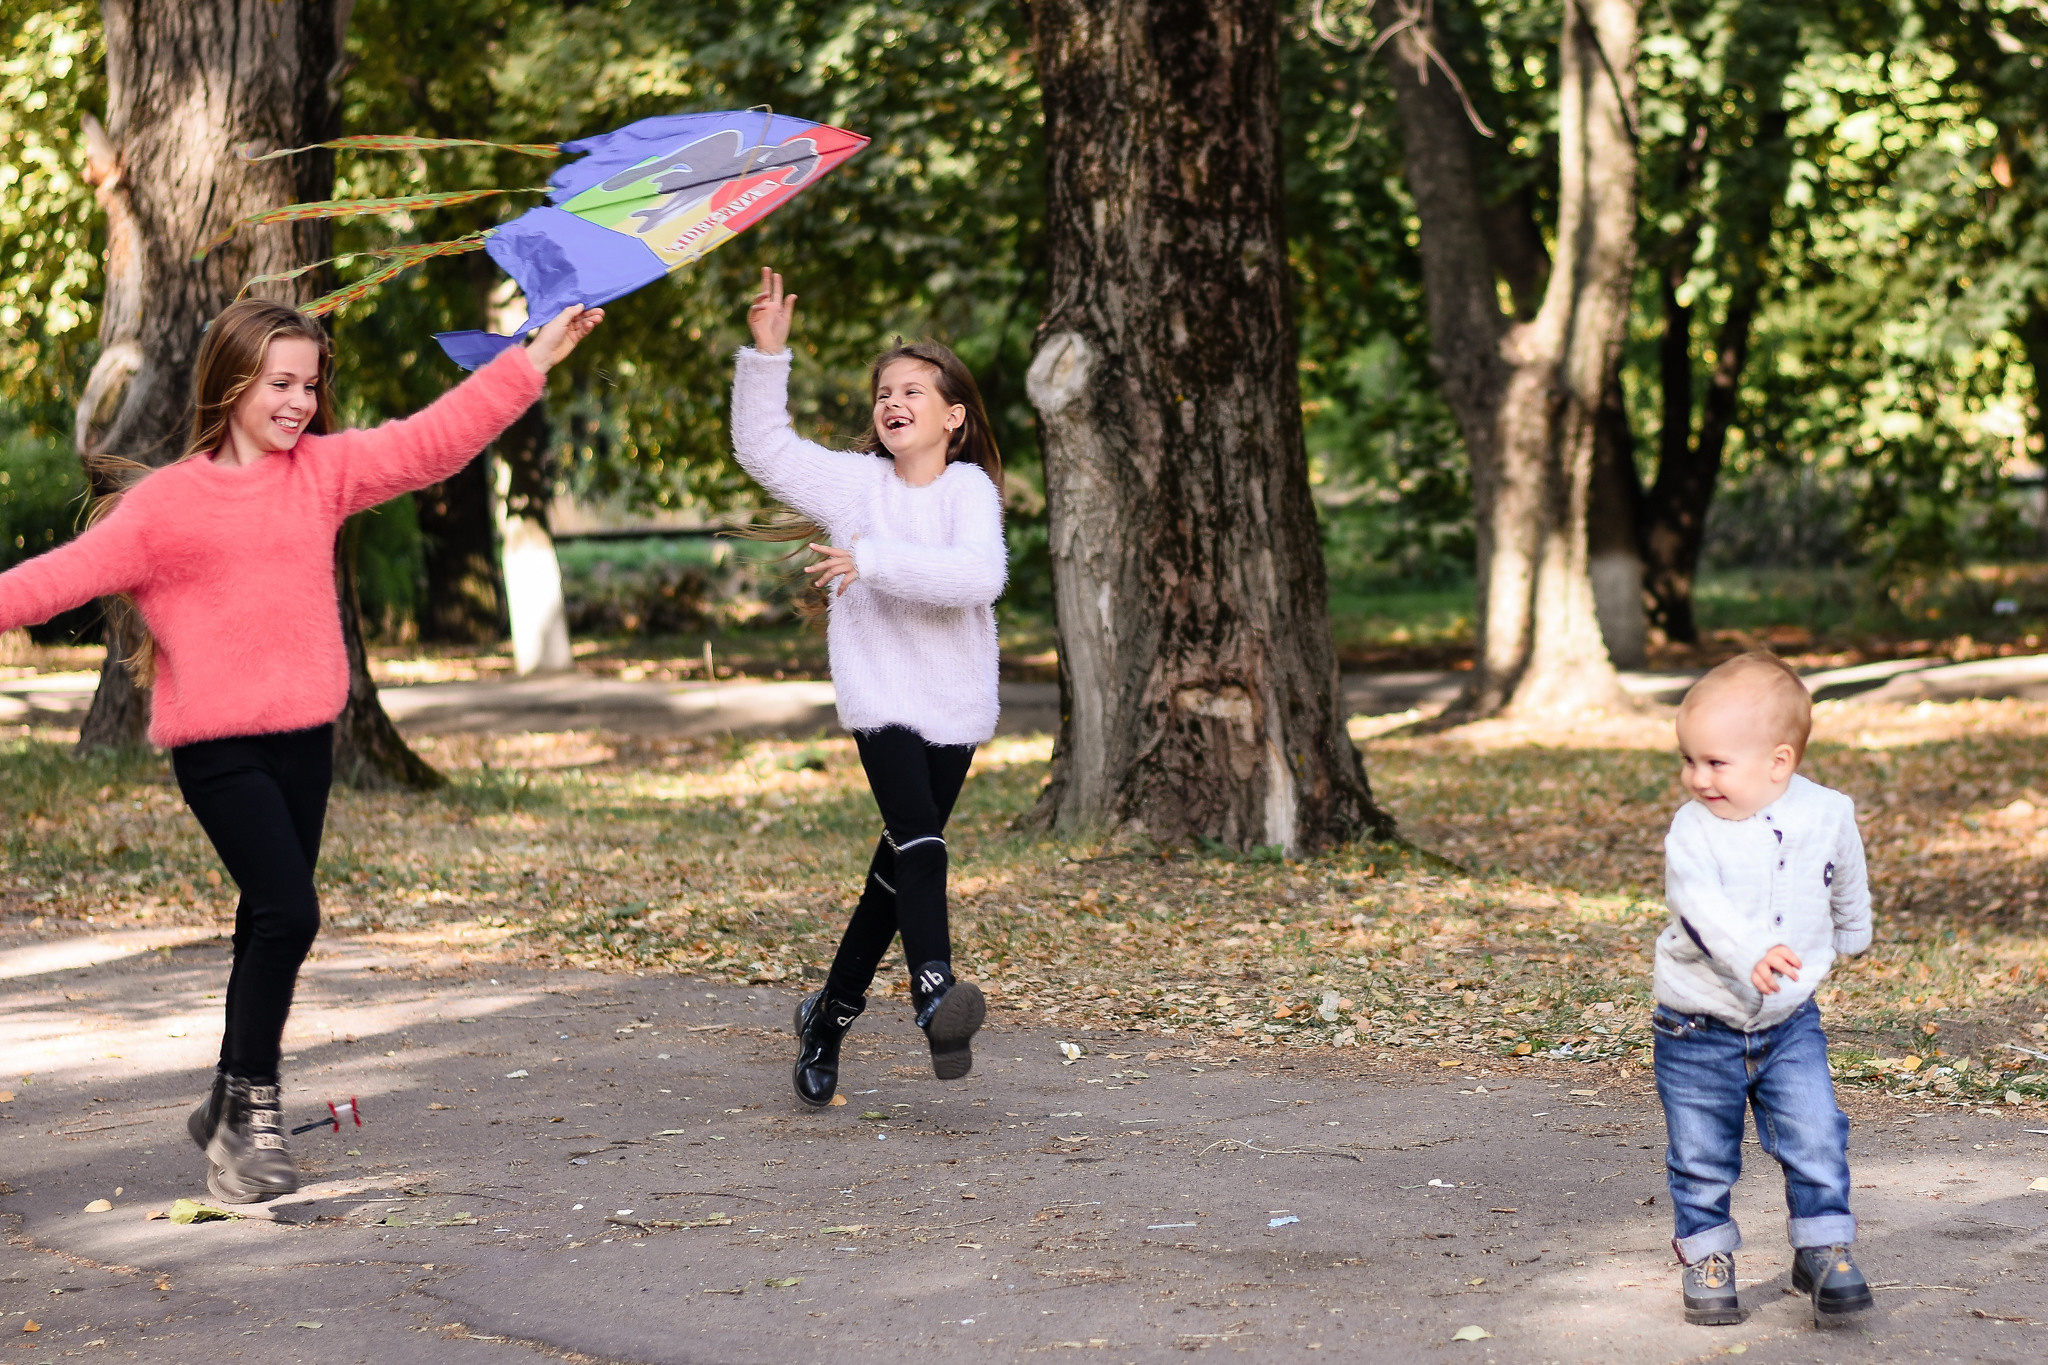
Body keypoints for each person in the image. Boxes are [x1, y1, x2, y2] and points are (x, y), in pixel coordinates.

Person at [0, 296, 602, 1202]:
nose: (297, 400)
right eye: (279, 382)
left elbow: (437, 438)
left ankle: (225, 1098)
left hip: (304, 740)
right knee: (290, 911)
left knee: (262, 919)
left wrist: (533, 357)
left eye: (309, 385)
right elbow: (54, 580)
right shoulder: (166, 506)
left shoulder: (321, 472)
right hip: (219, 748)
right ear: (231, 381)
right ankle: (249, 1117)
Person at [730, 267, 1005, 1106]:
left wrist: (875, 559)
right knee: (919, 840)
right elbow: (763, 449)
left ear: (952, 415)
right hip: (881, 695)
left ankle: (828, 1014)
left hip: (953, 704)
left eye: (914, 390)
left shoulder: (970, 490)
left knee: (895, 872)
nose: (894, 401)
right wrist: (767, 356)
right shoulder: (855, 486)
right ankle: (933, 991)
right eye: (885, 390)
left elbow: (977, 577)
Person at [1653, 650, 1875, 1328]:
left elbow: (1845, 871)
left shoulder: (1828, 811)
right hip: (1697, 1024)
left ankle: (1823, 1249)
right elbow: (1699, 903)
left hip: (1789, 1021)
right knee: (1701, 1152)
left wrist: (1853, 927)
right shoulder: (1694, 828)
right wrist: (1748, 950)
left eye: (1716, 762)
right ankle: (1708, 1256)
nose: (1697, 777)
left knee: (1816, 1134)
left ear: (1779, 762)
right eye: (1689, 759)